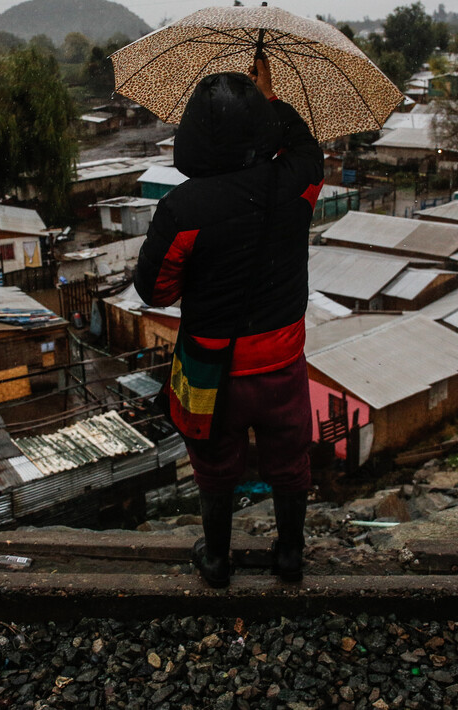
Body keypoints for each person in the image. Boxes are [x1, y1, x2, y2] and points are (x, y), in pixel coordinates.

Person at [134, 57, 323, 587]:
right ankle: (289, 557)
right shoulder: (296, 182)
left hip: (208, 369)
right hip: (282, 363)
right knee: (289, 461)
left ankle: (216, 560)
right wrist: (273, 100)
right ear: (261, 127)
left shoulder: (182, 207)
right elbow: (308, 148)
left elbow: (156, 290)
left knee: (214, 466)